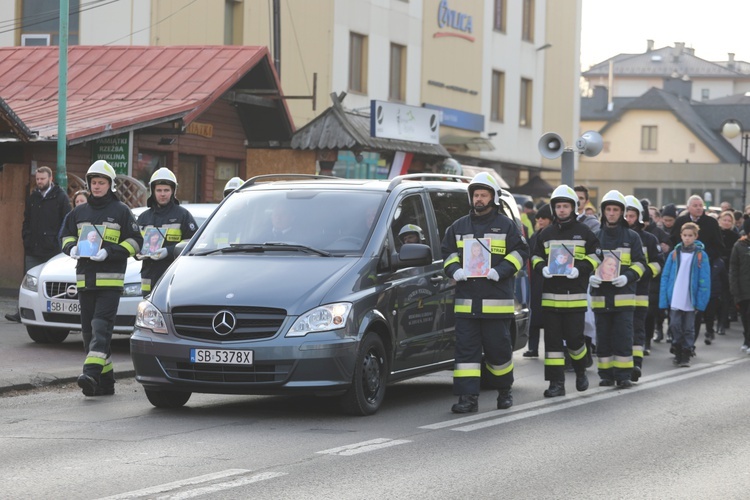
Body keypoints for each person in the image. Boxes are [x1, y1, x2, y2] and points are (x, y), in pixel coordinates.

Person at [441, 172, 528, 412]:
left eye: (483, 195)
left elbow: (521, 252)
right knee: (466, 354)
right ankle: (468, 399)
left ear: (493, 197)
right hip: (466, 305)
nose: (478, 199)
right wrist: (455, 270)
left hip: (495, 303)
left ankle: (504, 391)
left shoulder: (507, 226)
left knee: (498, 351)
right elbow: (447, 253)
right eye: (476, 195)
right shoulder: (458, 227)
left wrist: (501, 270)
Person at [60, 160, 143, 397]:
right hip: (85, 281)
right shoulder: (79, 212)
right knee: (88, 333)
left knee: (100, 327)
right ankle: (106, 383)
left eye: (101, 182)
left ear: (110, 185)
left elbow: (136, 241)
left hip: (111, 282)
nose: (97, 187)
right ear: (89, 184)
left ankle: (90, 373)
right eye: (94, 182)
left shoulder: (122, 211)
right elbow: (64, 235)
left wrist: (110, 251)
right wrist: (72, 249)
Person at [531, 185, 599, 397]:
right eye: (558, 206)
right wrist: (542, 268)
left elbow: (597, 256)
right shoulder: (546, 233)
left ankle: (580, 372)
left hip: (575, 297)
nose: (561, 210)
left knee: (575, 341)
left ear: (573, 208)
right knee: (552, 344)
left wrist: (579, 270)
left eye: (565, 206)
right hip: (551, 298)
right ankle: (555, 383)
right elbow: (535, 256)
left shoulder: (584, 232)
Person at [589, 190, 646, 388]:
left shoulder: (632, 237)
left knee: (623, 337)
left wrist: (627, 276)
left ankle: (623, 375)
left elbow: (640, 263)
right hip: (600, 297)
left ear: (622, 212)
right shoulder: (595, 236)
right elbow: (586, 262)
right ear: (603, 212)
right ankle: (605, 374)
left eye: (615, 210)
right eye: (608, 209)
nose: (611, 213)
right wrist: (590, 277)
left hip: (623, 297)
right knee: (602, 337)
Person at [6, 166, 72, 323]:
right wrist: (26, 238)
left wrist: (58, 241)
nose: (39, 182)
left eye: (42, 179)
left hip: (52, 250)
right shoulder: (33, 197)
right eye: (37, 179)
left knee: (51, 283)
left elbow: (67, 222)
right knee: (30, 282)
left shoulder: (61, 197)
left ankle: (55, 313)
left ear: (51, 179)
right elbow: (26, 220)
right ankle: (22, 311)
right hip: (33, 248)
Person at [136, 168, 197, 296]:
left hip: (173, 275)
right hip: (148, 277)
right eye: (159, 190)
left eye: (166, 190)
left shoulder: (183, 215)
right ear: (152, 191)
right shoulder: (143, 218)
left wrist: (168, 251)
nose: (162, 194)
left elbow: (193, 244)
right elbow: (135, 242)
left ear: (173, 191)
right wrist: (137, 253)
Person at [659, 222, 710, 367]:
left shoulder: (701, 255)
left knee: (689, 327)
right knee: (674, 324)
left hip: (690, 297)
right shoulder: (674, 254)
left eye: (690, 236)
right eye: (685, 235)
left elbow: (705, 279)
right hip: (675, 295)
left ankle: (686, 352)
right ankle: (677, 347)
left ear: (696, 236)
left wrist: (701, 301)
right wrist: (664, 299)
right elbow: (666, 276)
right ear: (681, 236)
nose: (687, 238)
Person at [624, 195, 661, 381]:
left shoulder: (650, 239)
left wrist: (642, 272)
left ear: (638, 216)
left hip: (639, 292)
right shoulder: (615, 236)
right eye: (626, 215)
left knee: (637, 329)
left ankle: (636, 365)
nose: (628, 219)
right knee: (622, 331)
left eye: (632, 215)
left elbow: (657, 264)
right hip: (619, 292)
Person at [524, 203, 553, 358]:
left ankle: (550, 349)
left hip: (548, 279)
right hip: (535, 278)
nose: (540, 220)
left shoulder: (551, 234)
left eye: (544, 218)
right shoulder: (535, 235)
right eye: (539, 218)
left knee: (548, 318)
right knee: (534, 315)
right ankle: (533, 347)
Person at [670, 195, 724, 263]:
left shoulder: (712, 223)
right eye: (695, 206)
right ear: (688, 208)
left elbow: (718, 245)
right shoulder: (680, 221)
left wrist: (705, 257)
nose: (698, 208)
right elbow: (673, 241)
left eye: (701, 205)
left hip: (705, 261)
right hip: (682, 261)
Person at [729, 218, 750, 352]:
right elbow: (733, 268)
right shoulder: (739, 246)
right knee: (745, 316)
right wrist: (734, 289)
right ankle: (747, 339)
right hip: (743, 288)